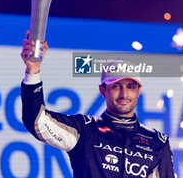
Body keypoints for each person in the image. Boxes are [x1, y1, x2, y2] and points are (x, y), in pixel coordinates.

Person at [20, 32, 175, 178]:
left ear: (139, 91)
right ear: (102, 90)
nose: (124, 94)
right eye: (116, 86)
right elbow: (37, 121)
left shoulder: (157, 141)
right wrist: (33, 70)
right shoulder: (84, 129)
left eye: (131, 87)